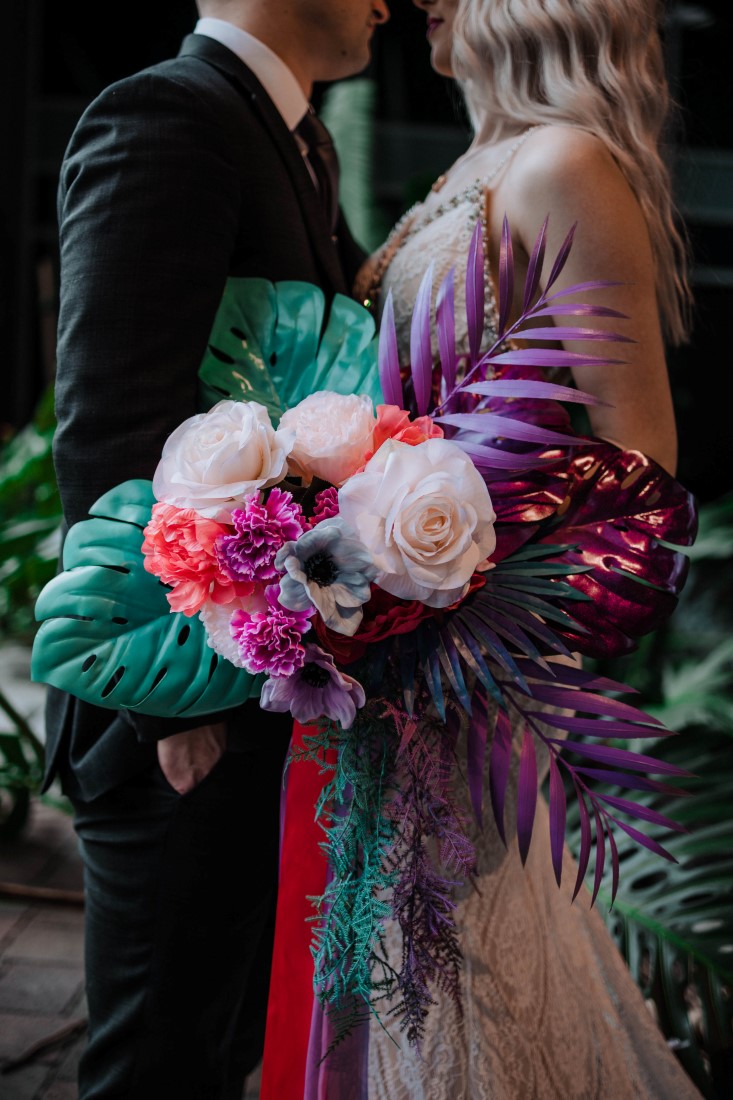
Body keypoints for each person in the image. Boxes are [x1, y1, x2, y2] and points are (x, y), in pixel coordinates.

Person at [260, 0, 704, 1097]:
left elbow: (638, 457)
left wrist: (437, 570)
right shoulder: (481, 159)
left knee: (467, 982)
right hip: (394, 654)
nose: (423, 0)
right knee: (399, 975)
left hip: (467, 664)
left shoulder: (566, 162)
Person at [43, 1, 389, 1098]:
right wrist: (173, 704)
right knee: (156, 1066)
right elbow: (109, 421)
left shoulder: (295, 136)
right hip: (174, 711)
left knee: (219, 1046)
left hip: (255, 692)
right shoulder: (165, 121)